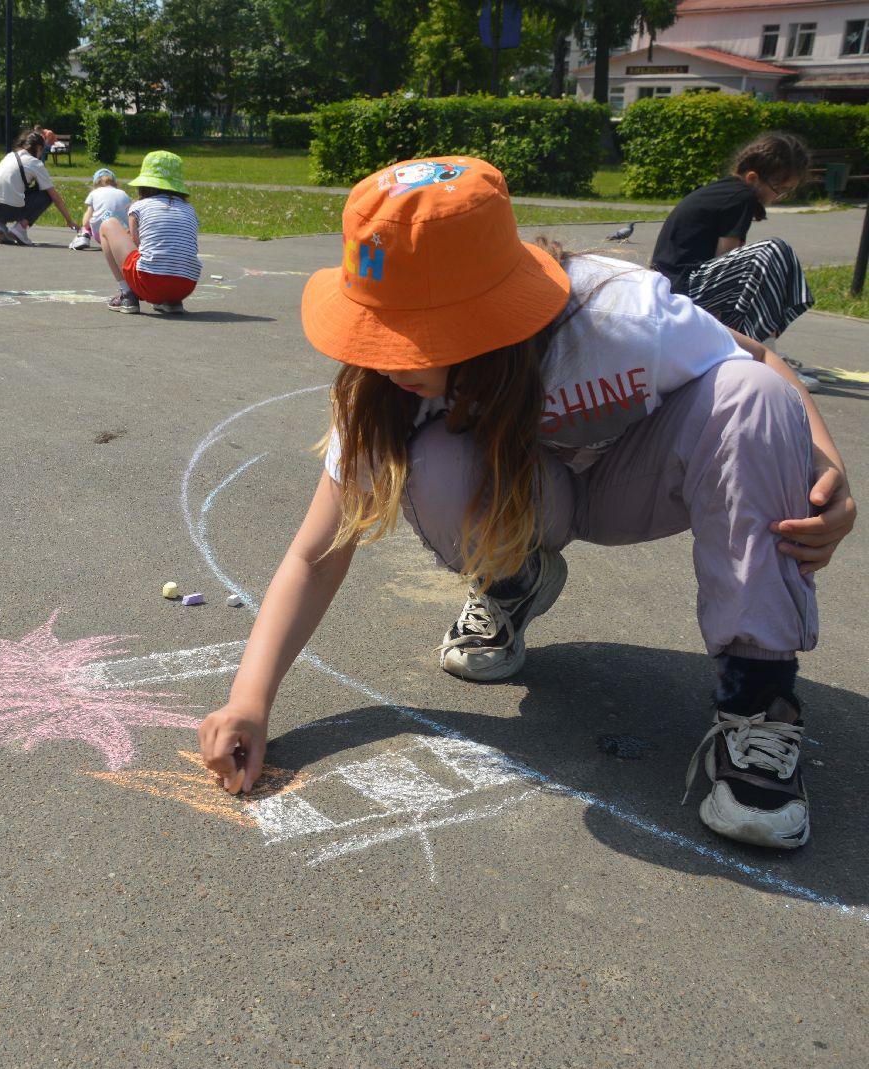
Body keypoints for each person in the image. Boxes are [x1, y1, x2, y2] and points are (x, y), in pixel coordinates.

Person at [198, 157, 855, 852]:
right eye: (376, 331)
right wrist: (250, 699)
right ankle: (513, 582)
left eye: (412, 337)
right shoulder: (383, 385)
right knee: (432, 462)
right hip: (538, 501)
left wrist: (827, 466)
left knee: (752, 400)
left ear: (493, 315)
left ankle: (758, 701)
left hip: (640, 482)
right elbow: (316, 552)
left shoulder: (616, 312)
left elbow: (758, 362)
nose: (388, 360)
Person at [650, 131, 814, 346]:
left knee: (764, 266)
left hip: (673, 283)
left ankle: (757, 346)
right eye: (779, 189)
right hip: (683, 287)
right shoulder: (741, 197)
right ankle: (764, 351)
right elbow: (727, 257)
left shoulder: (725, 190)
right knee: (773, 250)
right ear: (753, 178)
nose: (778, 198)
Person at [98, 150, 201, 315]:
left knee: (108, 225)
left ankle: (127, 295)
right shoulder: (189, 209)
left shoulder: (139, 207)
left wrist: (126, 236)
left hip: (150, 282)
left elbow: (137, 245)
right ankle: (170, 303)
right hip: (185, 285)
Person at [0, 130, 79, 246]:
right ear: (39, 148)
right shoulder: (35, 163)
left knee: (11, 190)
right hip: (9, 209)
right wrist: (69, 220)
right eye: (42, 150)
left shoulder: (9, 156)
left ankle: (0, 225)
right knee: (46, 195)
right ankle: (20, 228)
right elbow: (54, 196)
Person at [69, 167, 130, 251]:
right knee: (113, 215)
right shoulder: (123, 193)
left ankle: (83, 236)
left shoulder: (94, 193)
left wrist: (85, 226)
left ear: (95, 183)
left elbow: (86, 222)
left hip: (101, 233)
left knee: (88, 224)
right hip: (122, 234)